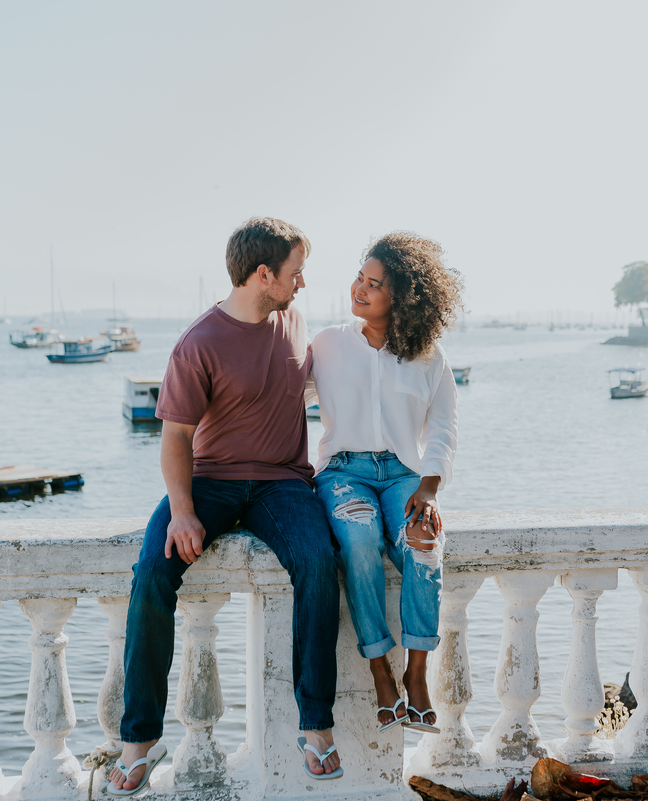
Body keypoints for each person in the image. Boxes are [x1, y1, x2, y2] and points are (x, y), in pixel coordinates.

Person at [107, 218, 343, 796]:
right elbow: (175, 438)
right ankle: (139, 739)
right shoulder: (199, 343)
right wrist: (184, 512)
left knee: (316, 560)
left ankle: (315, 725)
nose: (302, 283)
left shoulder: (292, 319)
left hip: (283, 484)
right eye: (294, 272)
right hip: (210, 483)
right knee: (153, 572)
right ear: (264, 274)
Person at [308, 231, 461, 735]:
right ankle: (380, 670)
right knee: (357, 538)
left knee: (424, 544)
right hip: (343, 472)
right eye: (360, 277)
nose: (361, 289)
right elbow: (276, 394)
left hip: (404, 476)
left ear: (404, 298)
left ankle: (417, 674)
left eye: (375, 284)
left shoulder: (430, 358)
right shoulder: (327, 344)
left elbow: (442, 428)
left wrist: (431, 487)